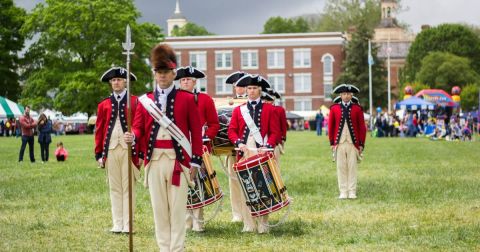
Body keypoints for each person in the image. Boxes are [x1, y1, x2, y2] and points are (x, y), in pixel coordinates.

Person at [124, 44, 203, 251]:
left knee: (177, 210)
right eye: (159, 72)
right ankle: (164, 248)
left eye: (166, 72)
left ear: (173, 73)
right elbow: (139, 127)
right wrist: (133, 135)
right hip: (155, 160)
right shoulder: (145, 101)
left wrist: (195, 160)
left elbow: (196, 132)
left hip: (179, 162)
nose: (162, 76)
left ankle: (176, 248)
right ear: (154, 73)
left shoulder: (187, 99)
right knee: (159, 210)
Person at [228, 74, 281, 233]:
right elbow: (232, 131)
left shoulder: (269, 109)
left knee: (263, 187)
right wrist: (239, 143)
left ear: (260, 90)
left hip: (261, 151)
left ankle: (263, 224)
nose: (251, 91)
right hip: (244, 151)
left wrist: (268, 145)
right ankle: (248, 224)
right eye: (249, 88)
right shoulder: (239, 110)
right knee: (247, 187)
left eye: (254, 88)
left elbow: (275, 132)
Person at [94, 66, 141, 234]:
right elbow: (99, 130)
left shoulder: (135, 101)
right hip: (111, 149)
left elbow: (139, 126)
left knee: (128, 187)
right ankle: (117, 223)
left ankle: (128, 224)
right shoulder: (104, 105)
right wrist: (99, 153)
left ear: (125, 81)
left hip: (130, 150)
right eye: (113, 80)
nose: (116, 82)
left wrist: (140, 150)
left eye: (119, 80)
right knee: (114, 187)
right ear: (110, 83)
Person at [176, 66, 220, 232]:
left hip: (199, 147)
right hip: (180, 148)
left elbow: (214, 124)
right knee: (182, 184)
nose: (185, 82)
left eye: (188, 79)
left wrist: (205, 136)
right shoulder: (175, 99)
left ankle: (198, 222)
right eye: (182, 79)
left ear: (194, 82)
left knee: (198, 184)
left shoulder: (205, 99)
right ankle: (186, 222)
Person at [328, 84, 366, 199]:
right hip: (339, 143)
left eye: (348, 94)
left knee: (352, 167)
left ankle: (352, 191)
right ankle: (343, 191)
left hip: (352, 143)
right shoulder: (334, 108)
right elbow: (331, 127)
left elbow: (361, 128)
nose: (346, 96)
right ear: (340, 95)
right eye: (344, 94)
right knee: (341, 167)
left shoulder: (357, 109)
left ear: (351, 95)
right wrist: (331, 143)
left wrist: (361, 144)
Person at [224, 70, 249, 223]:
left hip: (248, 146)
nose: (238, 88)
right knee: (233, 180)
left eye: (241, 85)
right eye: (236, 86)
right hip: (231, 147)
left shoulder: (252, 102)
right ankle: (237, 213)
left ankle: (250, 209)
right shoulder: (229, 103)